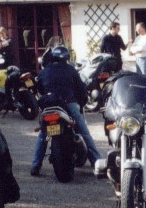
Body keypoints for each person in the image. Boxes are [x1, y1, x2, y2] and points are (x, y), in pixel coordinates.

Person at [30, 46, 101, 176]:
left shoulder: (44, 71)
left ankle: (35, 165)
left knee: (43, 135)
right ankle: (96, 161)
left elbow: (39, 89)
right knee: (84, 132)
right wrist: (82, 102)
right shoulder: (70, 70)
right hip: (68, 103)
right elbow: (81, 89)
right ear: (66, 57)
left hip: (49, 105)